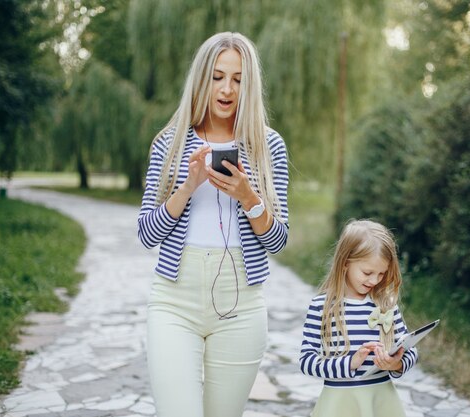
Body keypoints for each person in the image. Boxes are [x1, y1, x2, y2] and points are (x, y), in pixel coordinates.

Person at [137, 32, 289, 417]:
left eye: (238, 79)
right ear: (202, 79)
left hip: (241, 305)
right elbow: (146, 234)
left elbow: (278, 241)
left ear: (249, 85)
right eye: (218, 77)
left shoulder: (268, 146)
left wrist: (247, 196)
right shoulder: (169, 144)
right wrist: (187, 187)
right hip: (175, 300)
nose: (227, 89)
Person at [299, 219, 417, 417]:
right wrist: (350, 363)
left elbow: (411, 348)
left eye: (381, 274)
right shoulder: (322, 307)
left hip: (381, 398)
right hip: (340, 403)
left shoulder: (385, 305)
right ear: (345, 263)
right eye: (367, 272)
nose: (374, 280)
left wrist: (396, 364)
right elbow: (307, 362)